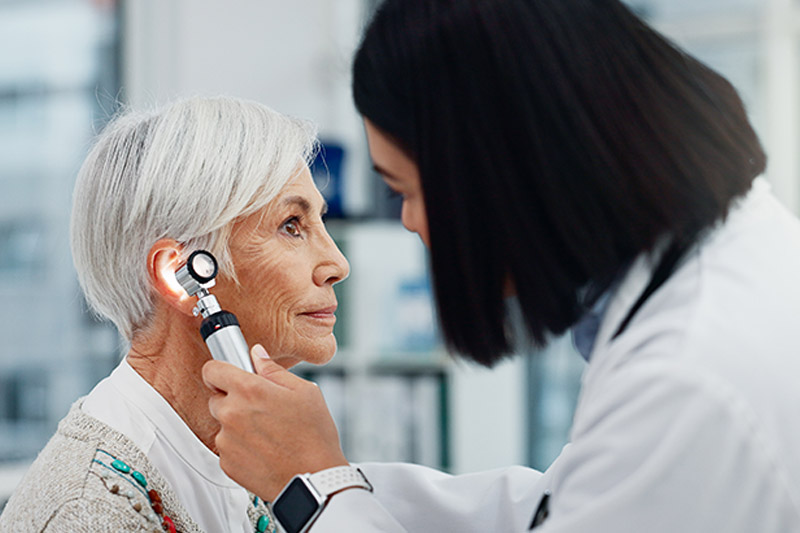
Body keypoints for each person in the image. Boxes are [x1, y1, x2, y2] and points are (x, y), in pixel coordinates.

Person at [200, 1, 800, 532]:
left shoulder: (686, 383)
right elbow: (555, 508)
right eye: (291, 225)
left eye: (407, 190)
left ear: (498, 174)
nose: (407, 223)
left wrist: (315, 492)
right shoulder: (721, 270)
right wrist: (336, 477)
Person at [0, 96, 349, 532]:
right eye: (291, 226)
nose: (337, 264)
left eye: (320, 222)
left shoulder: (255, 463)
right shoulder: (88, 510)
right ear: (179, 275)